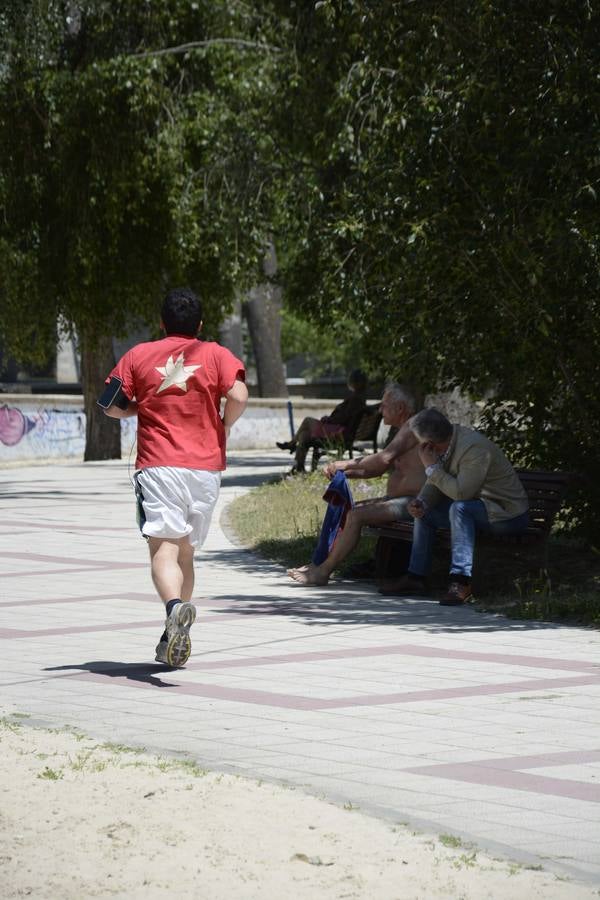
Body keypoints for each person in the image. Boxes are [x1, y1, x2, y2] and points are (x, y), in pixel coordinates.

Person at [100, 288, 248, 666]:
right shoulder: (216, 354)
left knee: (163, 549)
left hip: (159, 464)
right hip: (205, 468)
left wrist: (138, 408)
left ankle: (174, 607)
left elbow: (109, 405)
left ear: (161, 323)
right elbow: (240, 394)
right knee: (186, 553)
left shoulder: (138, 355)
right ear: (199, 325)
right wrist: (223, 424)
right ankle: (174, 630)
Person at [380, 407, 529, 606]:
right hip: (481, 507)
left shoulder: (473, 449)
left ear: (429, 442)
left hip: (507, 515)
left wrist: (431, 467)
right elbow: (438, 481)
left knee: (459, 508)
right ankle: (415, 578)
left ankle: (461, 582)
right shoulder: (447, 444)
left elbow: (461, 493)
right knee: (426, 512)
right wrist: (422, 502)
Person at [287, 383, 425, 586]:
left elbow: (382, 460)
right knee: (351, 509)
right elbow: (378, 469)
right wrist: (346, 473)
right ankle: (319, 563)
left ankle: (323, 572)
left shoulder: (413, 427)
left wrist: (343, 464)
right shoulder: (403, 430)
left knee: (356, 515)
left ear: (400, 408)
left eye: (384, 405)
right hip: (401, 500)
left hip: (415, 503)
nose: (380, 410)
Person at [276, 369, 368, 474]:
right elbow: (345, 417)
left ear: (355, 382)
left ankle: (292, 444)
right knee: (305, 434)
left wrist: (329, 419)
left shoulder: (355, 399)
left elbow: (343, 418)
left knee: (307, 420)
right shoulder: (359, 397)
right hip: (340, 431)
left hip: (338, 433)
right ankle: (298, 467)